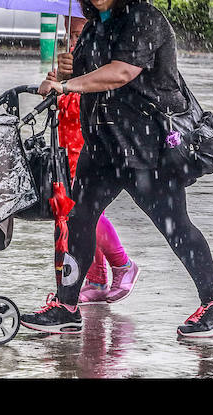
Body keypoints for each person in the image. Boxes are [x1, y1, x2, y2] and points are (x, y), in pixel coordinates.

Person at [19, 0, 213, 336]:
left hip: (147, 151)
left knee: (176, 227)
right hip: (103, 148)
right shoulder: (94, 27)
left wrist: (70, 83)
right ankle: (66, 306)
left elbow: (120, 73)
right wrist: (59, 76)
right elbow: (82, 78)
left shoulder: (145, 20)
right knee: (79, 220)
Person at [56, 16, 139, 306]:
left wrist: (73, 82)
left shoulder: (102, 60)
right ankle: (95, 277)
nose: (74, 41)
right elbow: (58, 96)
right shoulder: (71, 60)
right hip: (66, 142)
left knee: (81, 211)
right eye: (69, 35)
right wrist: (57, 80)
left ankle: (122, 264)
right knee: (78, 213)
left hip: (88, 143)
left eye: (79, 34)